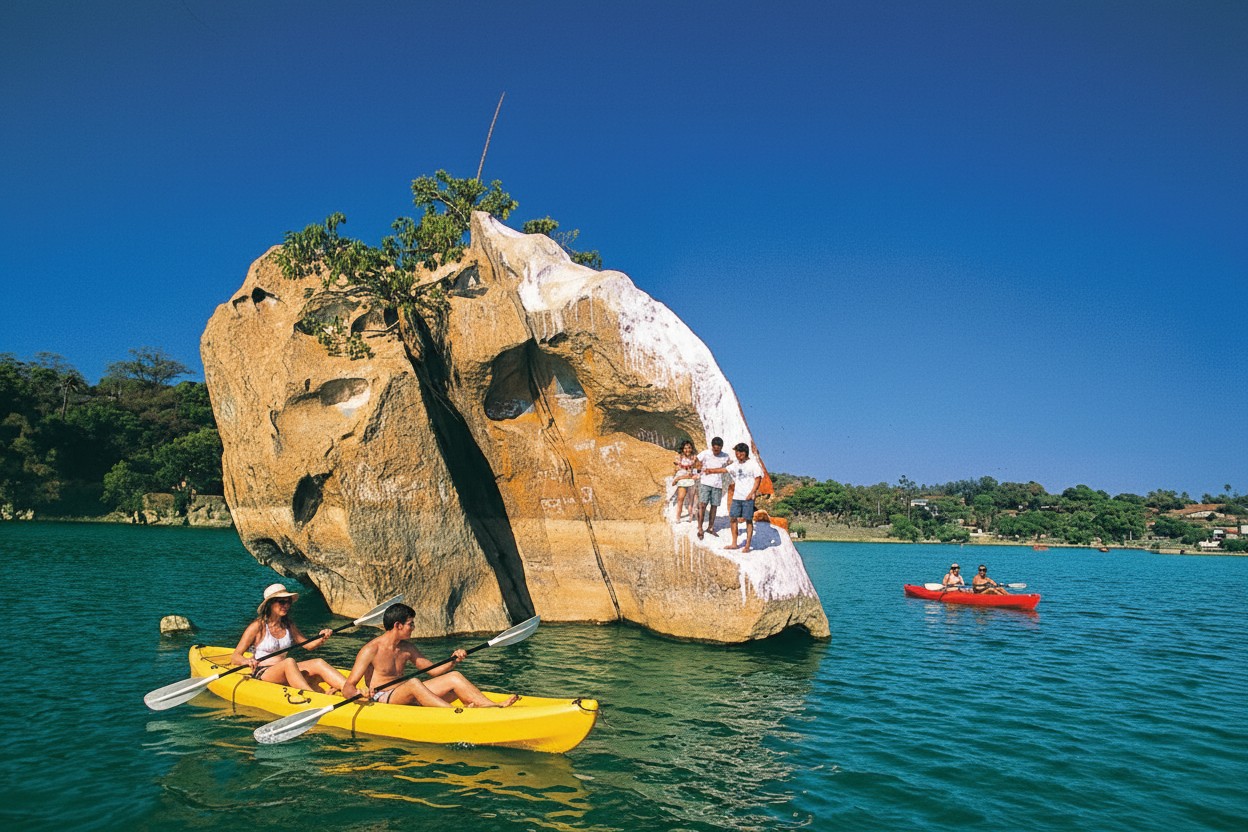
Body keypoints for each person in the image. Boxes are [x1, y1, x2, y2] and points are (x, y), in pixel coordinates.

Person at [341, 603, 518, 708]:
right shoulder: (371, 649)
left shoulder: (407, 647)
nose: (413, 627)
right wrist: (359, 692)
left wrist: (454, 659)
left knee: (454, 677)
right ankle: (454, 713)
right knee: (414, 683)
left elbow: (434, 671)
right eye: (410, 624)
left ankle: (490, 706)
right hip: (383, 698)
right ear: (398, 625)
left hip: (406, 694)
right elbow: (348, 686)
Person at [232, 583, 347, 693]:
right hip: (264, 672)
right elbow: (235, 656)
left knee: (318, 662)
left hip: (287, 669)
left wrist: (322, 637)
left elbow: (308, 645)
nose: (286, 605)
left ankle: (349, 689)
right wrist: (246, 661)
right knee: (289, 661)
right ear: (270, 604)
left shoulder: (288, 625)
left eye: (288, 602)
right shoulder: (257, 626)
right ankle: (311, 695)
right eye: (282, 602)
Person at [725, 442, 763, 553]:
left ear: (745, 453)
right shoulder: (736, 464)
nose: (737, 454)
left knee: (748, 520)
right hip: (737, 497)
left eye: (739, 452)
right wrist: (710, 471)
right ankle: (734, 543)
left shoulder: (753, 464)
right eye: (736, 452)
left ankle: (747, 545)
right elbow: (725, 470)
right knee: (733, 518)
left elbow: (758, 478)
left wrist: (752, 492)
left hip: (748, 497)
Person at [695, 437, 731, 540]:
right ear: (712, 447)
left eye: (718, 449)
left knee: (714, 506)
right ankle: (700, 528)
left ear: (721, 448)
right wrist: (698, 467)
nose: (716, 451)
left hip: (717, 484)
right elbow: (696, 460)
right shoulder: (705, 453)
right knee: (702, 505)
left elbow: (730, 464)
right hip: (705, 483)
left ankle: (710, 527)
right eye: (715, 449)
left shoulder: (725, 456)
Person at [672, 440, 699, 522]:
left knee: (692, 499)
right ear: (682, 449)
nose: (687, 450)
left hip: (690, 479)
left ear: (692, 448)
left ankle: (691, 517)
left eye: (689, 448)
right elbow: (677, 470)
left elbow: (694, 471)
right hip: (683, 480)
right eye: (685, 448)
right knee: (680, 498)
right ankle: (678, 517)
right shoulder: (679, 457)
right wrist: (677, 477)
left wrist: (678, 479)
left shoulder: (694, 458)